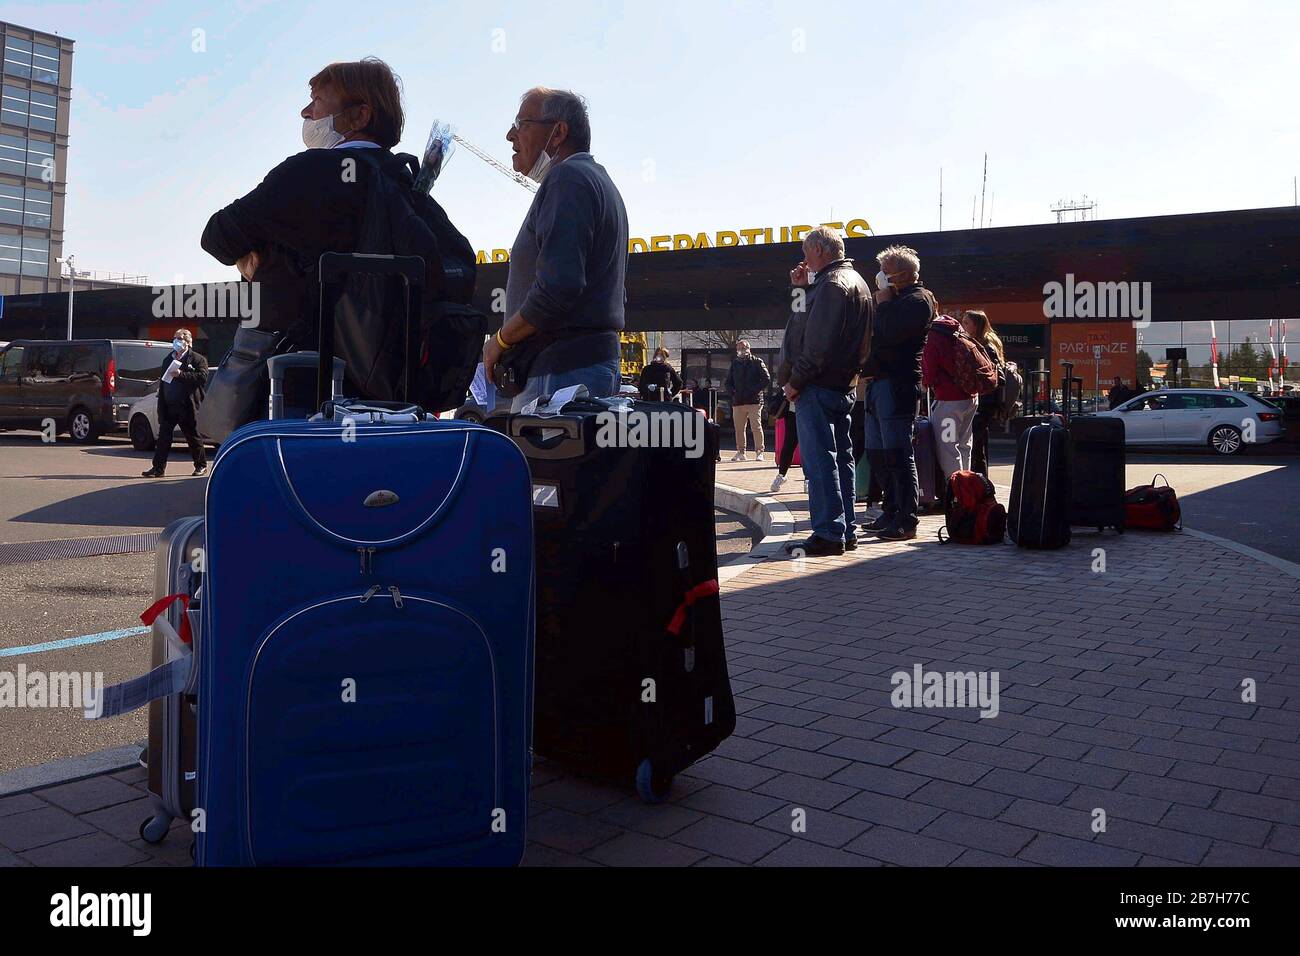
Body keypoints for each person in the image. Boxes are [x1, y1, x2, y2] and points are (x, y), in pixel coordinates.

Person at [201, 58, 476, 355]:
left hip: (303, 379)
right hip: (390, 384)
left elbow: (216, 238)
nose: (305, 112)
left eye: (317, 101)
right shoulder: (406, 182)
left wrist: (266, 264)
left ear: (358, 116)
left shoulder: (307, 173)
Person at [482, 87, 629, 411]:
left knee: (544, 463)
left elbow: (557, 289)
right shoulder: (593, 180)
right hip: (578, 367)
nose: (510, 135)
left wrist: (500, 341)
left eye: (522, 124)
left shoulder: (568, 179)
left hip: (559, 372)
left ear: (558, 132)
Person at [779, 226, 872, 556]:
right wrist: (800, 290)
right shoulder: (856, 281)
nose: (804, 258)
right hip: (843, 384)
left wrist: (795, 381)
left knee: (819, 461)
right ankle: (845, 529)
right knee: (841, 458)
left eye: (807, 251)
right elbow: (806, 323)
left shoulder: (831, 285)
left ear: (821, 251)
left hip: (818, 385)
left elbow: (814, 343)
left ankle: (829, 532)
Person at [860, 245, 934, 541]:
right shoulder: (893, 299)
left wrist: (885, 302)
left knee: (898, 454)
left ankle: (906, 519)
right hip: (877, 384)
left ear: (903, 274)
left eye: (886, 271)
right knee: (878, 454)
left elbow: (890, 333)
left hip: (898, 385)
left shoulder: (918, 300)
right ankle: (889, 511)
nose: (881, 276)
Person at [922, 311, 979, 493]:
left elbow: (929, 372)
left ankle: (956, 491)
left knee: (948, 446)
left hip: (949, 400)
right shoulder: (957, 330)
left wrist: (927, 383)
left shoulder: (934, 336)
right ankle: (967, 484)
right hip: (970, 397)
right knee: (964, 444)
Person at [142, 329, 209, 478]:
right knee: (163, 437)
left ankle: (201, 466)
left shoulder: (198, 359)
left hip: (187, 405)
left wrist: (181, 374)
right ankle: (158, 468)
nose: (176, 341)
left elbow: (202, 377)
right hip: (169, 404)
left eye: (179, 338)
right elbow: (164, 381)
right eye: (174, 338)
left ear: (188, 342)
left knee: (192, 436)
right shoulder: (168, 359)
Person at [961, 310, 1005, 477]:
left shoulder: (986, 346)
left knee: (977, 446)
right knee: (979, 445)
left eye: (966, 323)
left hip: (984, 403)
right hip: (983, 402)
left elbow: (997, 377)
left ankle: (979, 483)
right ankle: (980, 482)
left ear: (976, 325)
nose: (963, 326)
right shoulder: (980, 342)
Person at [726, 340, 771, 461]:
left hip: (754, 401)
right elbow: (728, 382)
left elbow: (766, 378)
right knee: (739, 428)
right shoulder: (735, 364)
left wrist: (754, 390)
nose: (741, 350)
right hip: (738, 401)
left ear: (749, 348)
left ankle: (759, 451)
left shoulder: (757, 362)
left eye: (744, 347)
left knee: (756, 427)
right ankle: (741, 452)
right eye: (739, 348)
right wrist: (733, 392)